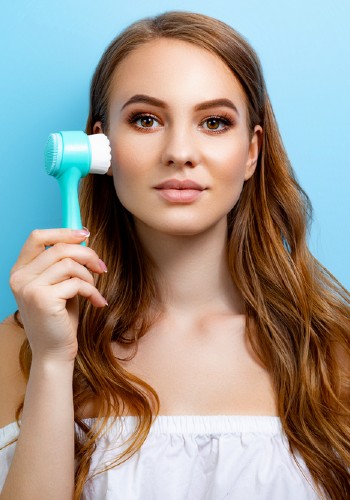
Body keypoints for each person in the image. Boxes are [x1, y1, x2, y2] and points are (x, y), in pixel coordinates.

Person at [0, 11, 349, 500]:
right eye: (146, 119)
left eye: (214, 122)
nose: (180, 151)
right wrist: (54, 362)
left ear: (252, 152)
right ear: (99, 146)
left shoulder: (336, 352)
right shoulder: (20, 350)